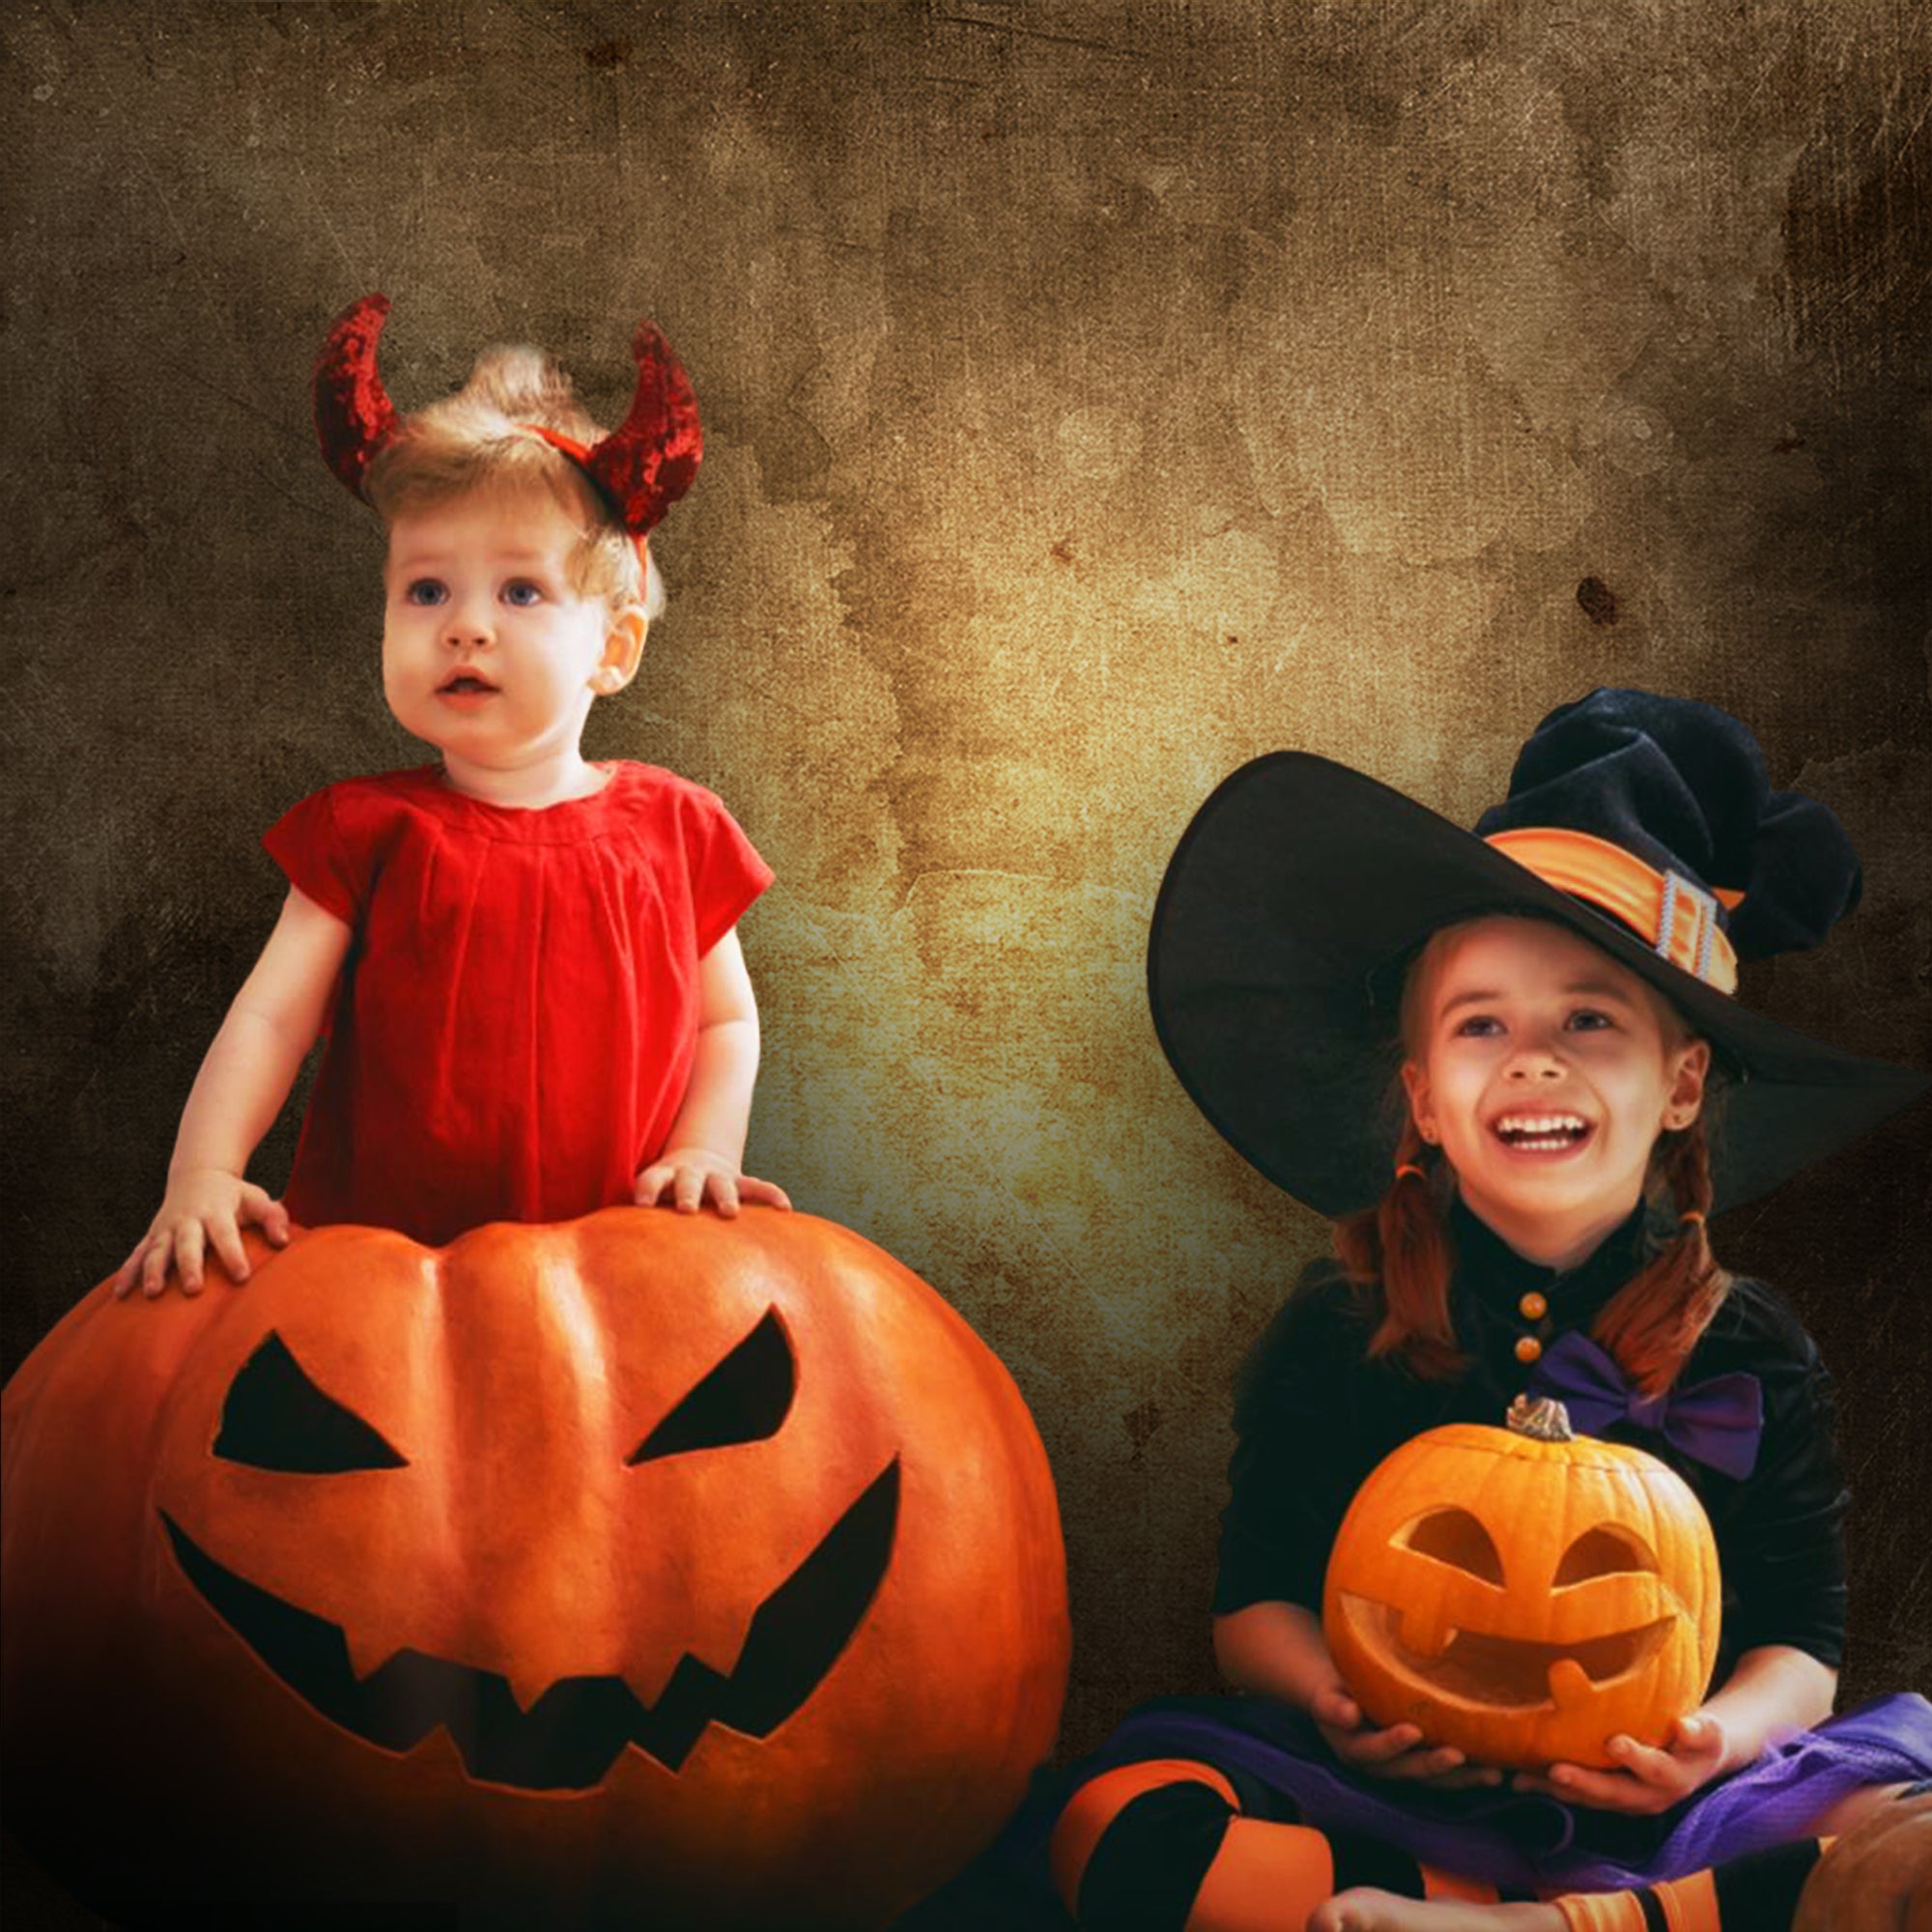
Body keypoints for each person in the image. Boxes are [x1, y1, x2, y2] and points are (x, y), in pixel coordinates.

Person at [1041, 690, 1932, 1928]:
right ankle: (1520, 1906)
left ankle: (1551, 1920)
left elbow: (1801, 1644)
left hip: (1670, 1804)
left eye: (1588, 1018)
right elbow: (1254, 1601)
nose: (1533, 1058)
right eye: (1481, 1024)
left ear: (1679, 1085)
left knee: (1910, 1842)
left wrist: (1712, 1739)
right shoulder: (1339, 1318)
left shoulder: (1748, 1345)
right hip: (1379, 1787)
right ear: (1421, 1095)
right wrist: (1333, 1705)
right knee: (1122, 1825)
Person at [114, 295, 787, 1297]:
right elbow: (268, 1022)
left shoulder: (679, 829)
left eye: (519, 591)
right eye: (426, 591)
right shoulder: (363, 834)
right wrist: (202, 1173)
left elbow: (721, 1024)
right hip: (385, 1281)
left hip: (623, 1274)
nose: (464, 628)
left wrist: (704, 1151)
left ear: (613, 647)